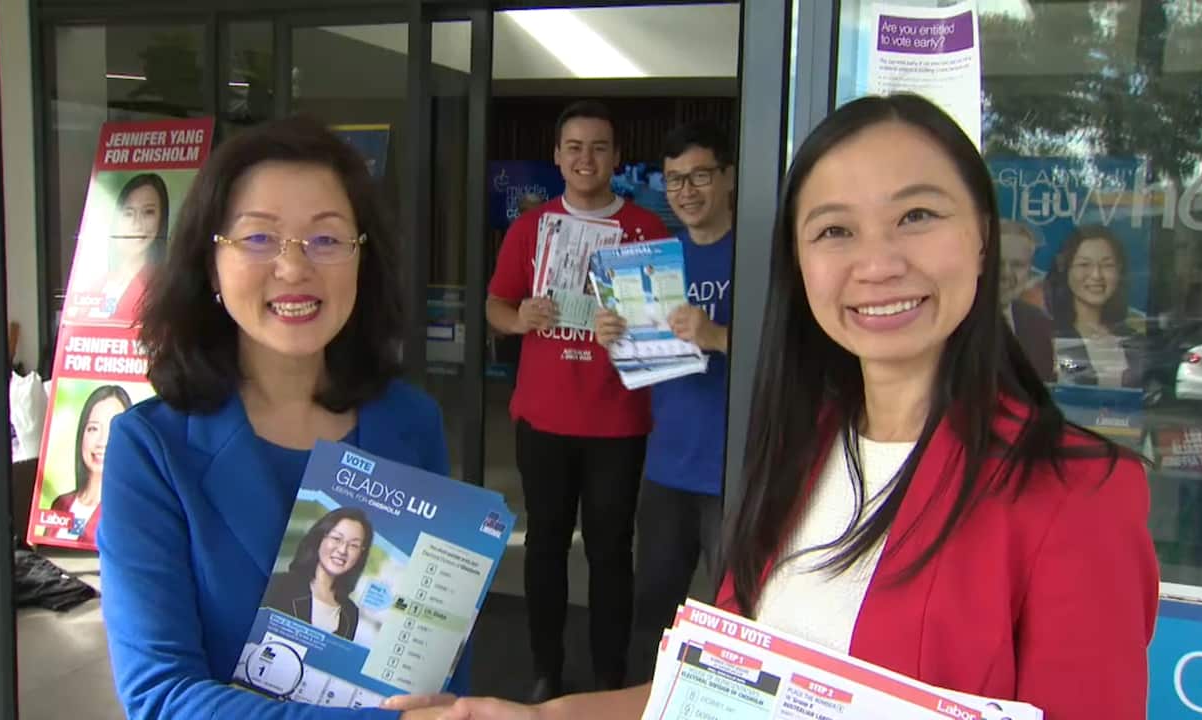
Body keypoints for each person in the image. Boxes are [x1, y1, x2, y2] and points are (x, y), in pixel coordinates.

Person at [440, 94, 1158, 720]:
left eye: (916, 215)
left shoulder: (1078, 497)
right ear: (801, 265)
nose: (876, 263)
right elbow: (711, 695)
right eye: (834, 230)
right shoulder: (798, 452)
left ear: (980, 241)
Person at [98, 116, 463, 719]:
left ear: (361, 261)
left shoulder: (412, 424)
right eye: (259, 238)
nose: (294, 269)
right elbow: (162, 695)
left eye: (326, 239)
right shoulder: (151, 451)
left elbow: (438, 648)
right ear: (210, 263)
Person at [486, 99, 668, 700]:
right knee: (545, 545)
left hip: (618, 420)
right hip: (544, 416)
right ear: (557, 157)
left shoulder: (647, 229)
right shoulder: (531, 228)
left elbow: (667, 327)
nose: (586, 158)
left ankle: (611, 671)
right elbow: (495, 305)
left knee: (612, 552)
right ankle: (545, 667)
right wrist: (520, 319)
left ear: (616, 158)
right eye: (574, 147)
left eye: (598, 147)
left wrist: (634, 326)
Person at [592, 120, 734, 685]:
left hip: (737, 471)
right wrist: (614, 339)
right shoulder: (655, 259)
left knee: (741, 610)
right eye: (675, 180)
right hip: (668, 467)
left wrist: (718, 335)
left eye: (700, 176)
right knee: (653, 610)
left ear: (729, 178)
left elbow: (788, 353)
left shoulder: (759, 259)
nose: (687, 191)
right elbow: (639, 362)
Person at [1047, 225, 1142, 388]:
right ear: (1066, 270)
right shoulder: (1046, 336)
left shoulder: (1134, 341)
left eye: (1107, 265)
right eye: (1084, 265)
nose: (1096, 275)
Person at [69, 173, 171, 322]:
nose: (137, 224)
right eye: (128, 213)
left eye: (148, 212)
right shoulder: (96, 284)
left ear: (161, 219)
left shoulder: (164, 287)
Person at [263, 507, 374, 642]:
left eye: (354, 545)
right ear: (319, 539)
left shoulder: (350, 613)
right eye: (336, 538)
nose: (343, 550)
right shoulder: (279, 584)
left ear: (361, 553)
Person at [48, 384, 132, 544]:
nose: (101, 442)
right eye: (93, 428)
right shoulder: (60, 504)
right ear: (82, 434)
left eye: (112, 429)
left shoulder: (127, 512)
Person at [997, 219, 1054, 381]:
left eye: (1017, 265)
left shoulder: (1038, 322)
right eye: (997, 263)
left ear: (1029, 270)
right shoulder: (953, 319)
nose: (1006, 273)